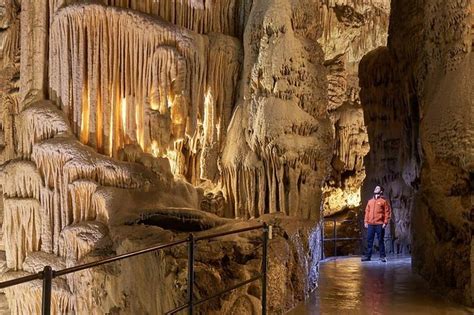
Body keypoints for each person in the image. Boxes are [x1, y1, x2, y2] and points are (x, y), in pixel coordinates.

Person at [361, 185, 391, 262]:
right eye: (375, 188)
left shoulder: (383, 201)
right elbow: (367, 212)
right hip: (371, 223)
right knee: (369, 240)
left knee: (380, 240)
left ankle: (382, 256)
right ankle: (368, 256)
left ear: (381, 191)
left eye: (377, 188)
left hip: (379, 224)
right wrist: (365, 221)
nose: (375, 189)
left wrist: (385, 222)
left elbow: (387, 212)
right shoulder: (370, 201)